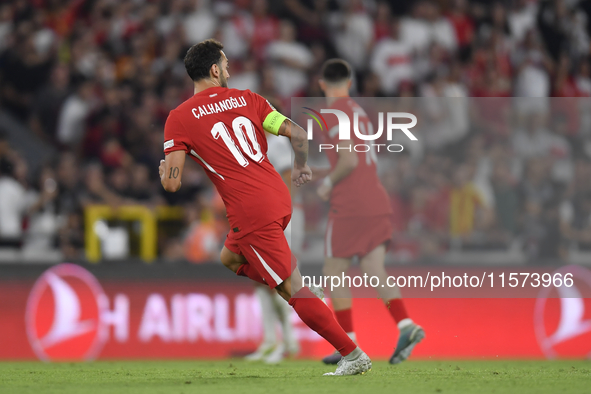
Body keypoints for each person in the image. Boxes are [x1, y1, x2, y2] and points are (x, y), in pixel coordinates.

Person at [158, 39, 371, 376]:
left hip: (250, 210)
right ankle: (299, 283)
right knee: (229, 257)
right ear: (214, 70)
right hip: (277, 196)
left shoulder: (179, 118)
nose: (228, 70)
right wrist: (301, 166)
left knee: (290, 291)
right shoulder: (249, 99)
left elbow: (172, 183)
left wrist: (162, 171)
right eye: (225, 64)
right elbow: (299, 135)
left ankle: (352, 354)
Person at [315, 59, 425, 365]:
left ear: (322, 83)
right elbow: (356, 160)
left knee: (332, 272)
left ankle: (348, 345)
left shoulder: (333, 112)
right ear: (349, 83)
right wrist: (318, 171)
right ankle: (406, 325)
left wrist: (328, 183)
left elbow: (348, 160)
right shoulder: (359, 111)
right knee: (374, 268)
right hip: (376, 199)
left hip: (350, 204)